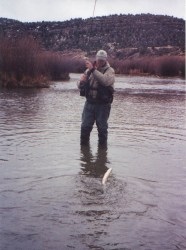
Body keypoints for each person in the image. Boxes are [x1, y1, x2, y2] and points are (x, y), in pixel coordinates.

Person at [77, 50, 115, 146]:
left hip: (103, 105)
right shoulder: (88, 70)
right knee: (85, 127)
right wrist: (81, 82)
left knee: (102, 130)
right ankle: (84, 153)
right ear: (96, 58)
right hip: (89, 104)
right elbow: (79, 85)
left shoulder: (110, 71)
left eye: (102, 60)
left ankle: (102, 155)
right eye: (99, 60)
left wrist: (93, 70)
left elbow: (105, 81)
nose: (100, 62)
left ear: (105, 60)